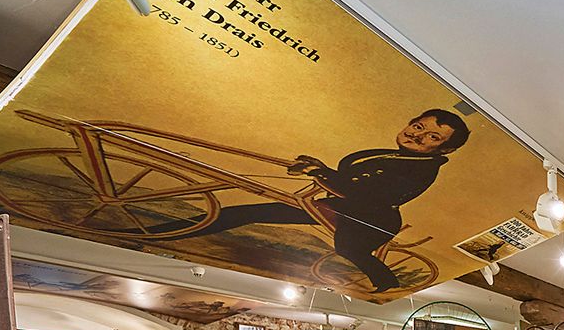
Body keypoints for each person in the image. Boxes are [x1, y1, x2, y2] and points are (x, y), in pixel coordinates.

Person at [142, 110, 471, 292]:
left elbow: (367, 191)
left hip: (370, 221)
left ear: (443, 149)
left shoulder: (421, 169)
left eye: (432, 137)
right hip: (342, 206)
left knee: (348, 249)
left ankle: (386, 281)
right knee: (247, 212)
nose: (417, 135)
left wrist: (321, 173)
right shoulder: (396, 154)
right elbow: (354, 180)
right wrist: (321, 170)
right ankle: (166, 231)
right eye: (417, 126)